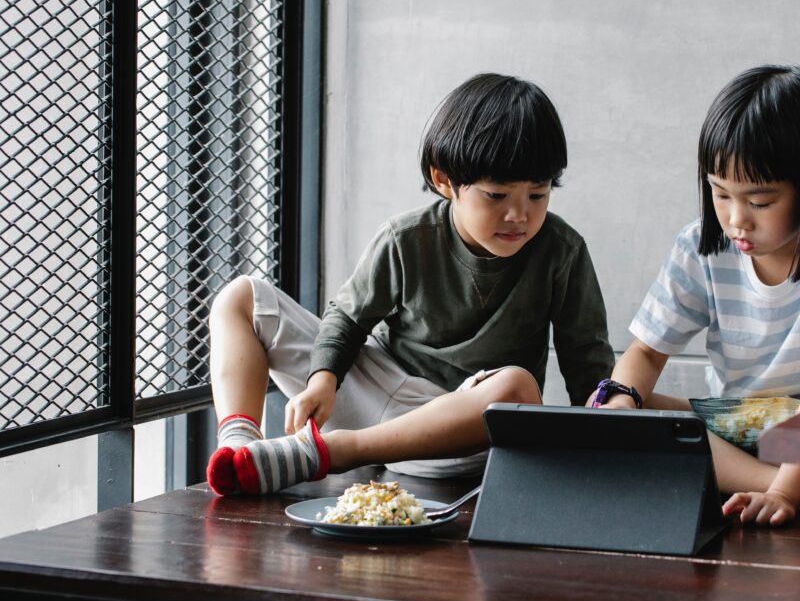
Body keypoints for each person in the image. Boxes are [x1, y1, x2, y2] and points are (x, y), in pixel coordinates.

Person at [206, 73, 614, 495]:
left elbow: (589, 363)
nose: (519, 215)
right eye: (496, 196)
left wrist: (603, 439)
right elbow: (347, 318)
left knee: (517, 389)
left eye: (538, 194)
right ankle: (239, 449)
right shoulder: (406, 237)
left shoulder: (561, 251)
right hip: (370, 394)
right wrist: (323, 380)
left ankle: (330, 452)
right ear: (444, 181)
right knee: (241, 297)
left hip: (452, 430)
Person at [590, 64, 800, 525]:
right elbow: (644, 353)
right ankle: (796, 489)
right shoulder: (701, 245)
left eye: (759, 202)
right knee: (620, 406)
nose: (736, 219)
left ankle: (785, 482)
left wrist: (785, 493)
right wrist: (619, 406)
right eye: (720, 194)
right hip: (742, 426)